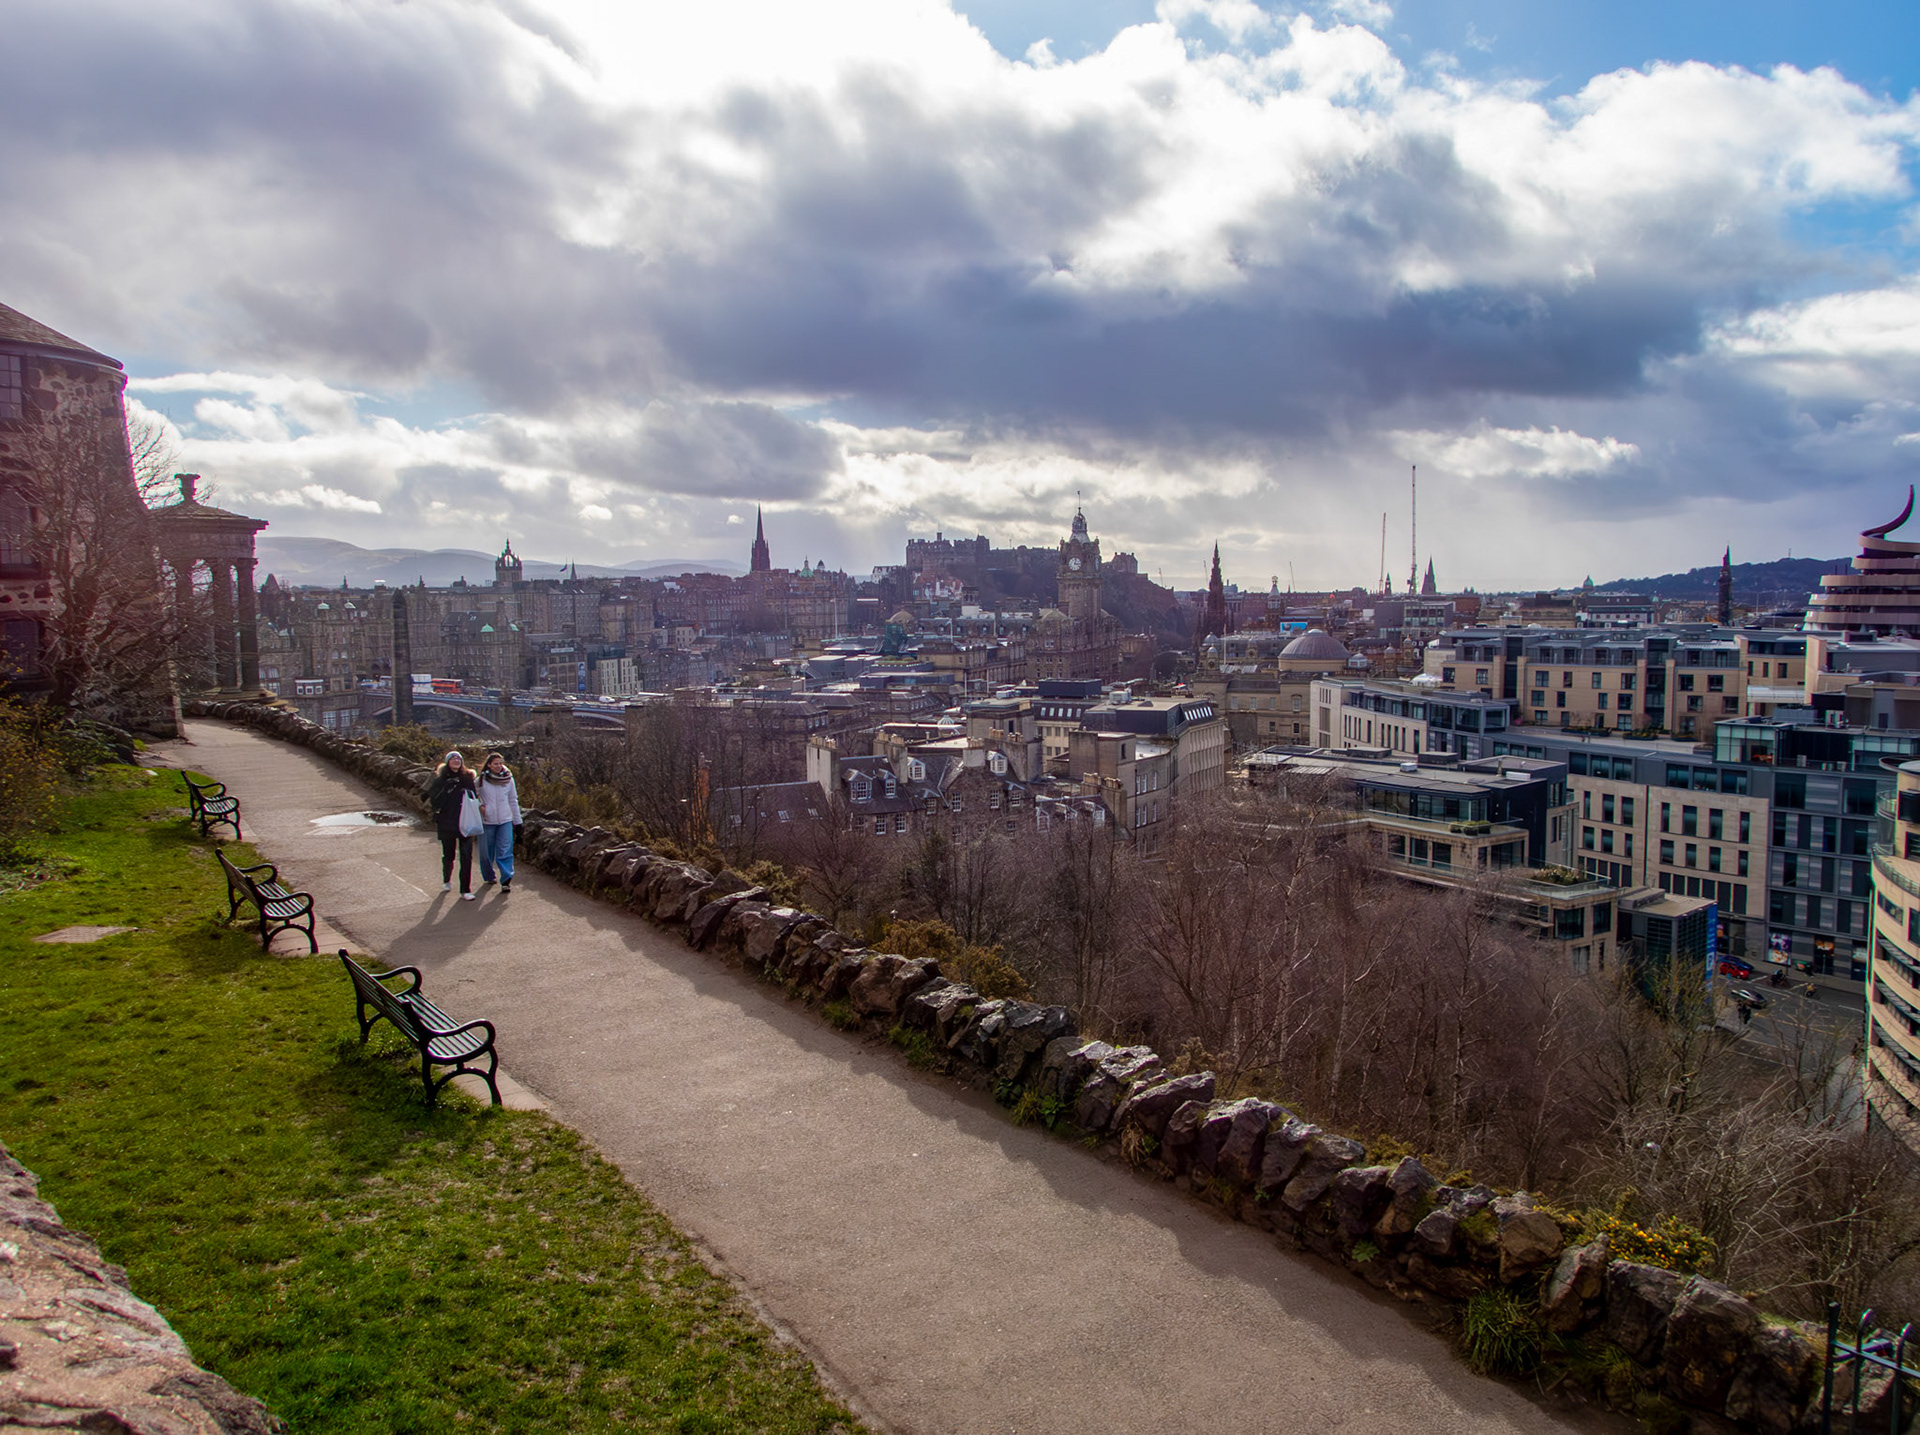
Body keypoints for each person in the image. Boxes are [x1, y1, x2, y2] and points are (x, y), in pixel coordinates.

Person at [425, 750, 479, 899]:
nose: (456, 760)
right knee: (449, 854)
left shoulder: (467, 778)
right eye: (453, 758)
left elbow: (474, 797)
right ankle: (447, 879)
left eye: (458, 758)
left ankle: (465, 890)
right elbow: (434, 801)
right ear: (447, 762)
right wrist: (445, 791)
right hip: (447, 821)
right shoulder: (440, 780)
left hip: (465, 820)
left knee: (466, 855)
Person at [475, 751, 523, 893]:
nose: (498, 766)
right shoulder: (481, 780)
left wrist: (518, 821)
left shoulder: (508, 780)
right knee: (485, 852)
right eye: (495, 764)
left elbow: (513, 800)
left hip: (505, 819)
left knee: (505, 850)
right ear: (489, 765)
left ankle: (506, 879)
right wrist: (480, 806)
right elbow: (472, 796)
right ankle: (489, 875)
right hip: (487, 821)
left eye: (501, 763)